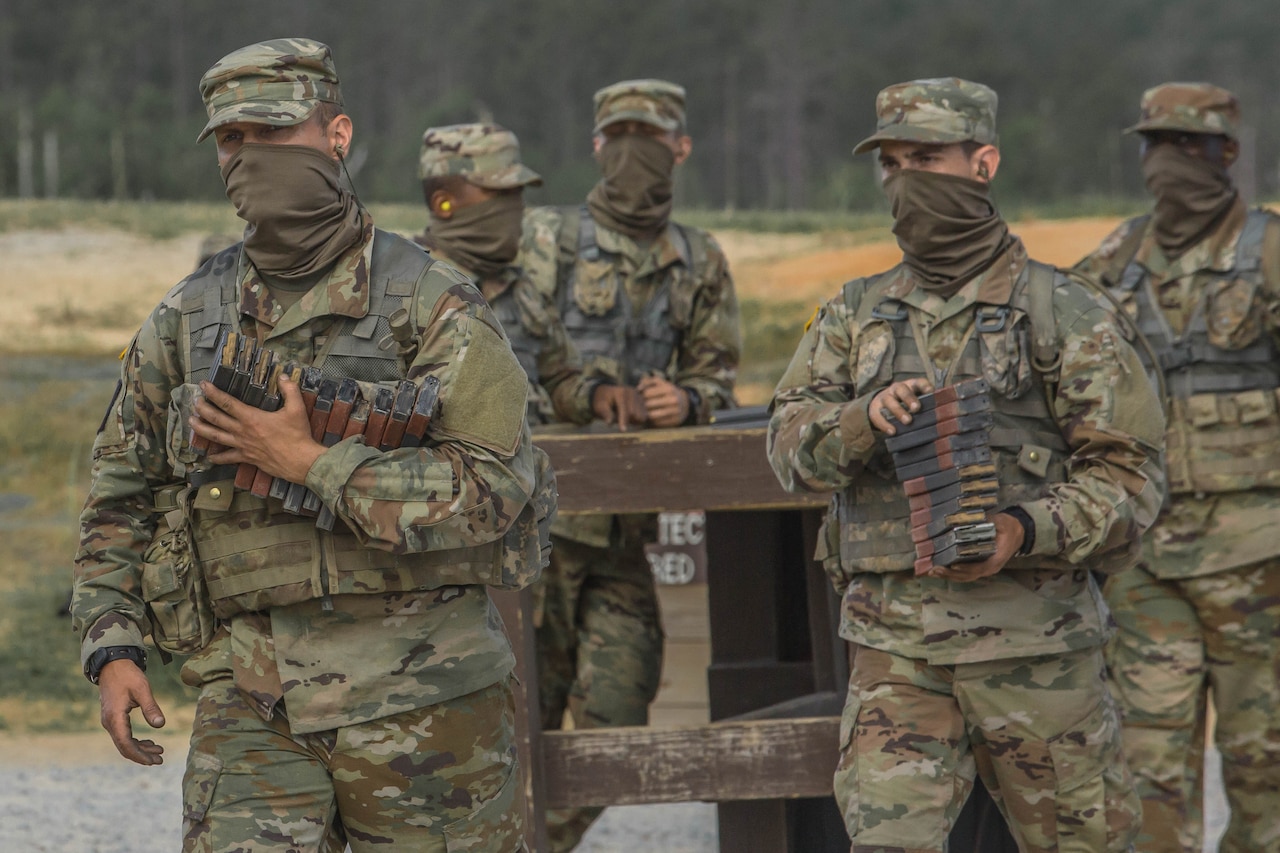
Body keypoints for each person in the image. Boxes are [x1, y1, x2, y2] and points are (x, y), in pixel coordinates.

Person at [71, 39, 539, 852]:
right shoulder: (187, 318)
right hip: (252, 700)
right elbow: (121, 492)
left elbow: (499, 488)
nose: (249, 157)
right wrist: (112, 644)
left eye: (271, 132)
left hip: (426, 702)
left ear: (337, 136)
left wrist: (313, 463)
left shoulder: (433, 303)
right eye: (229, 140)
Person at [767, 77, 1166, 851]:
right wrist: (862, 420)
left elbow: (1132, 477)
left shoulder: (1065, 310)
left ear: (983, 163)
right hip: (898, 652)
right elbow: (788, 447)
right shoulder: (854, 312)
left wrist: (1024, 527)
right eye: (891, 163)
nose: (905, 179)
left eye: (926, 157)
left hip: (1037, 651)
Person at [519, 78, 740, 850]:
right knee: (520, 718)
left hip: (624, 539)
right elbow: (507, 361)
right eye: (619, 139)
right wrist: (588, 399)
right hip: (535, 535)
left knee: (618, 710)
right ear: (595, 147)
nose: (632, 155)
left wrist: (684, 401)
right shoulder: (543, 240)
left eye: (649, 141)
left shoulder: (700, 260)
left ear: (680, 149)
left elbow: (718, 378)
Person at [1075, 82, 1280, 853]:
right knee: (1147, 762)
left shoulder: (1267, 251)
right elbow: (1049, 355)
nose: (1169, 162)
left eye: (1187, 146)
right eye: (1156, 144)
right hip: (1147, 556)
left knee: (1266, 762)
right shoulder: (1116, 258)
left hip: (1258, 560)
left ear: (1226, 153)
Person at [414, 122, 639, 429]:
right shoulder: (408, 283)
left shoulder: (520, 289)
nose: (515, 208)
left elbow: (560, 378)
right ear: (443, 203)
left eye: (516, 194)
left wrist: (595, 396)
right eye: (499, 193)